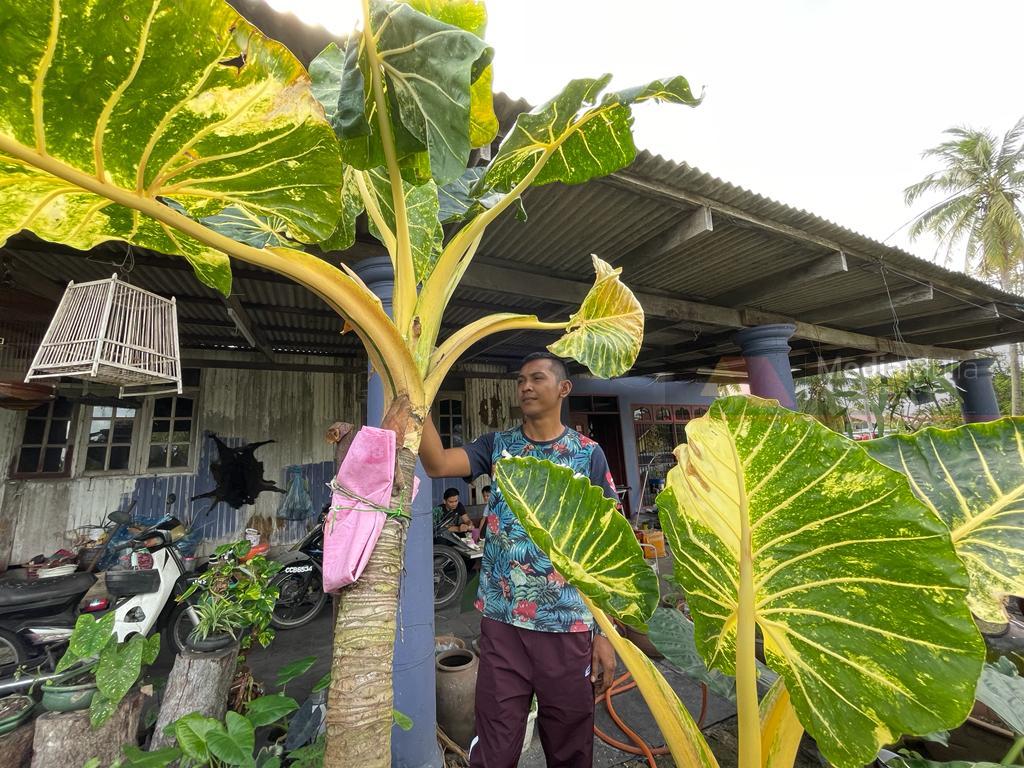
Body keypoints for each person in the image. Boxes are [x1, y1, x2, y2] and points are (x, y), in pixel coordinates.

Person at [420, 351, 618, 768]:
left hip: (566, 624)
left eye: (537, 378)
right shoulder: (498, 447)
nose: (525, 386)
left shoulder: (588, 454)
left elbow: (607, 551)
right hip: (503, 623)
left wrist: (605, 632)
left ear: (563, 389)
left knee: (570, 748)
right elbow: (436, 462)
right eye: (521, 379)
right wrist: (417, 394)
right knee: (495, 747)